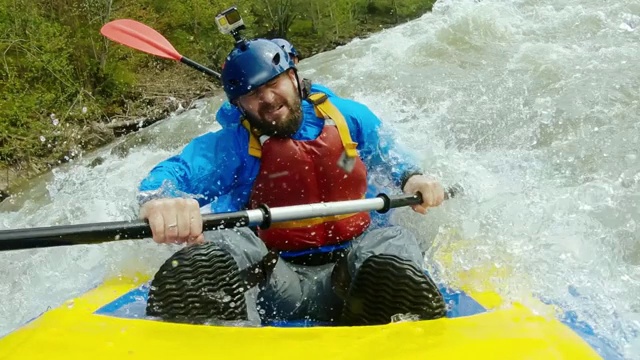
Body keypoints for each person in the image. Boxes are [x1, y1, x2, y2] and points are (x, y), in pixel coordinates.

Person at [137, 38, 447, 326]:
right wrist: (161, 202)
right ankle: (223, 333)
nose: (268, 99)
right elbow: (170, 176)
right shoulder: (234, 144)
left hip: (354, 280)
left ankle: (393, 321)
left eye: (273, 83)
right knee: (226, 242)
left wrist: (412, 177)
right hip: (274, 282)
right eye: (253, 94)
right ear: (239, 105)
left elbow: (390, 155)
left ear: (294, 77)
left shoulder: (349, 119)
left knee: (393, 240)